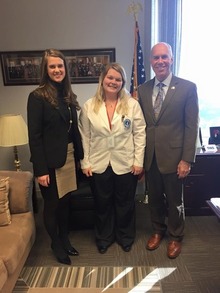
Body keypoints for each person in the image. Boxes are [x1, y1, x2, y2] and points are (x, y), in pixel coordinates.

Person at [138, 42, 199, 259]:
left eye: (164, 57)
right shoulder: (142, 90)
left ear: (171, 59)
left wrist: (187, 160)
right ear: (151, 62)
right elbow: (141, 125)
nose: (160, 61)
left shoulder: (187, 87)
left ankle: (175, 236)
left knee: (175, 201)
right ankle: (158, 230)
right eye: (156, 58)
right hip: (150, 157)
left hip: (175, 158)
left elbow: (192, 126)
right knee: (153, 198)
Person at [79, 62, 146, 254]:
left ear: (122, 82)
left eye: (118, 79)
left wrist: (138, 161)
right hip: (98, 163)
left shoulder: (132, 105)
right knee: (102, 203)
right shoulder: (89, 106)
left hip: (126, 163)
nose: (113, 82)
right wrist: (86, 162)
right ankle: (103, 238)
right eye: (110, 78)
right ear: (102, 79)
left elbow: (139, 133)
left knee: (125, 203)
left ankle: (125, 237)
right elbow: (84, 136)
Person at [27, 49, 84, 265]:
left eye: (60, 66)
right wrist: (40, 171)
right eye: (52, 66)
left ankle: (64, 238)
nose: (57, 70)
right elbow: (35, 136)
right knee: (52, 205)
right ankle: (56, 243)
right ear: (46, 69)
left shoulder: (67, 95)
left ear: (65, 69)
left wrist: (80, 158)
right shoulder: (37, 97)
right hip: (49, 162)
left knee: (66, 202)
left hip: (69, 158)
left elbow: (73, 131)